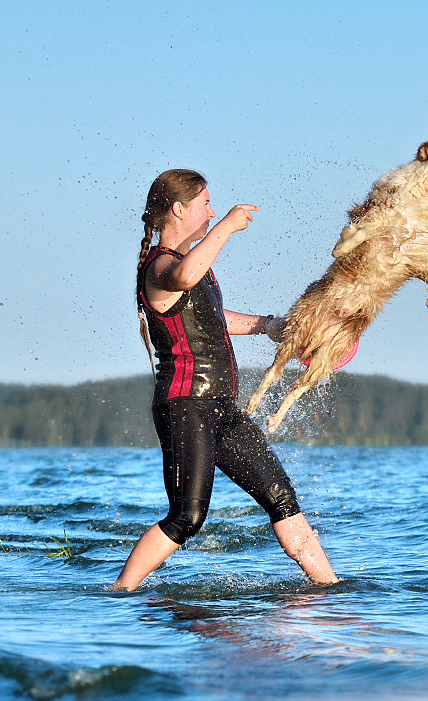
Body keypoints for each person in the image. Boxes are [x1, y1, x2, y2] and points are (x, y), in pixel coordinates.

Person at [113, 169, 339, 591]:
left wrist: (269, 325)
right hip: (185, 406)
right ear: (179, 210)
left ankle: (330, 589)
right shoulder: (160, 267)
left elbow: (214, 319)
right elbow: (182, 279)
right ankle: (119, 593)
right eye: (206, 204)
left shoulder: (193, 267)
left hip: (222, 408)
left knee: (282, 498)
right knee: (187, 517)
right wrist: (226, 227)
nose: (212, 211)